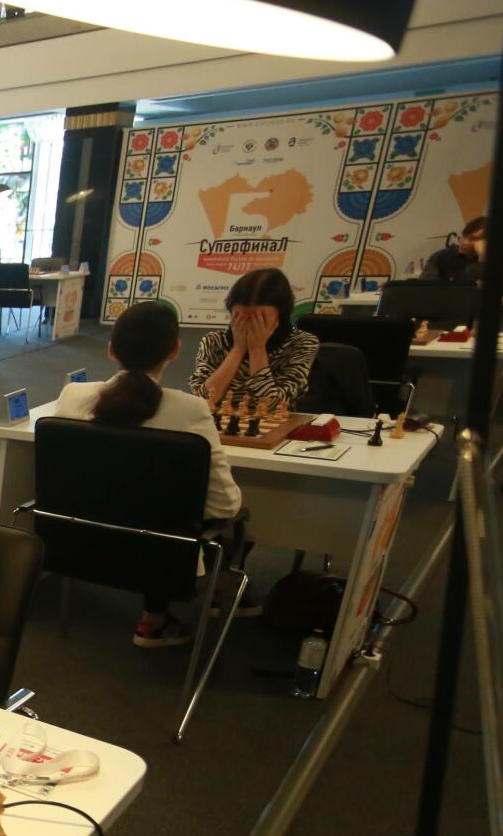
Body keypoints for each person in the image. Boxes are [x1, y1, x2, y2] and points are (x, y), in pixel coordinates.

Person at [56, 301, 246, 648]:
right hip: (163, 556)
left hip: (79, 547)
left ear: (111, 350)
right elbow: (225, 505)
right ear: (175, 350)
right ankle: (177, 611)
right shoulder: (189, 410)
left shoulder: (72, 396)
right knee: (217, 525)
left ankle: (155, 617)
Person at [188, 267, 319, 410]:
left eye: (260, 318)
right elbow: (202, 400)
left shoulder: (302, 343)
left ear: (281, 315)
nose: (250, 325)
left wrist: (257, 349)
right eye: (241, 317)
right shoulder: (213, 341)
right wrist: (238, 349)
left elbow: (270, 405)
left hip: (275, 422)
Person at [420, 215, 485, 283]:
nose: (465, 242)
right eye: (464, 236)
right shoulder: (442, 256)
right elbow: (426, 284)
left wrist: (482, 258)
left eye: (473, 238)